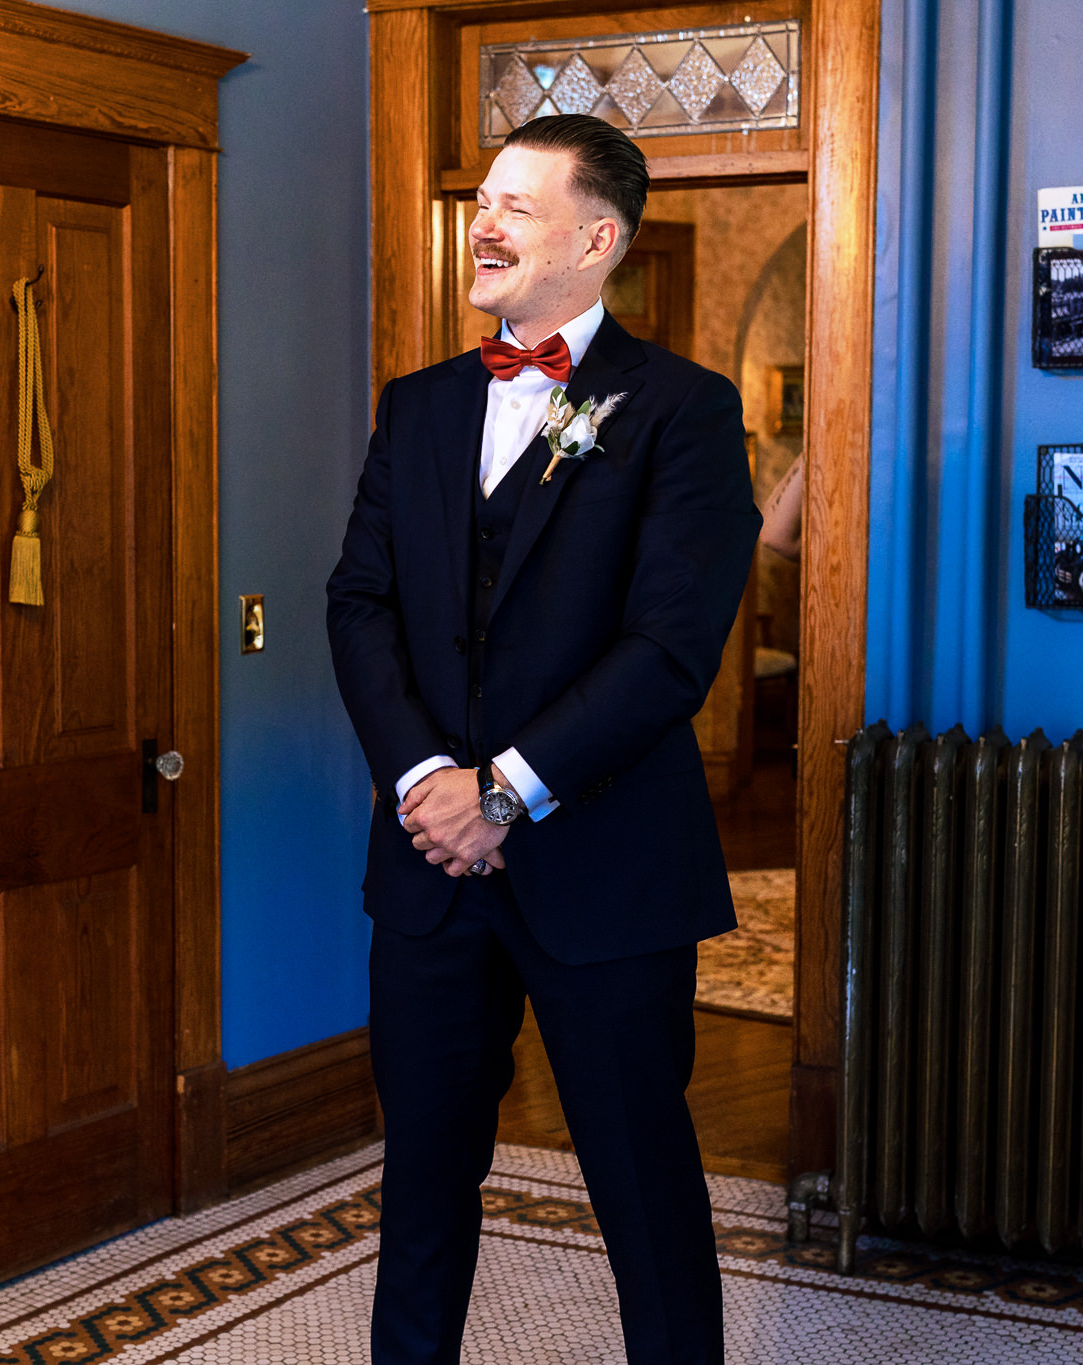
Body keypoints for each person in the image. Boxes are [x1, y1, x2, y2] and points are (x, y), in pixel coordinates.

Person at [326, 113, 761, 1364]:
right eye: (482, 199)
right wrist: (424, 782)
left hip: (607, 869)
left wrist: (502, 794)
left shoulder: (681, 409)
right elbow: (358, 603)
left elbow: (668, 652)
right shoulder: (414, 409)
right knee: (421, 1182)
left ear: (598, 238)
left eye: (516, 202)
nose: (485, 220)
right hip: (424, 870)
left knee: (642, 1193)